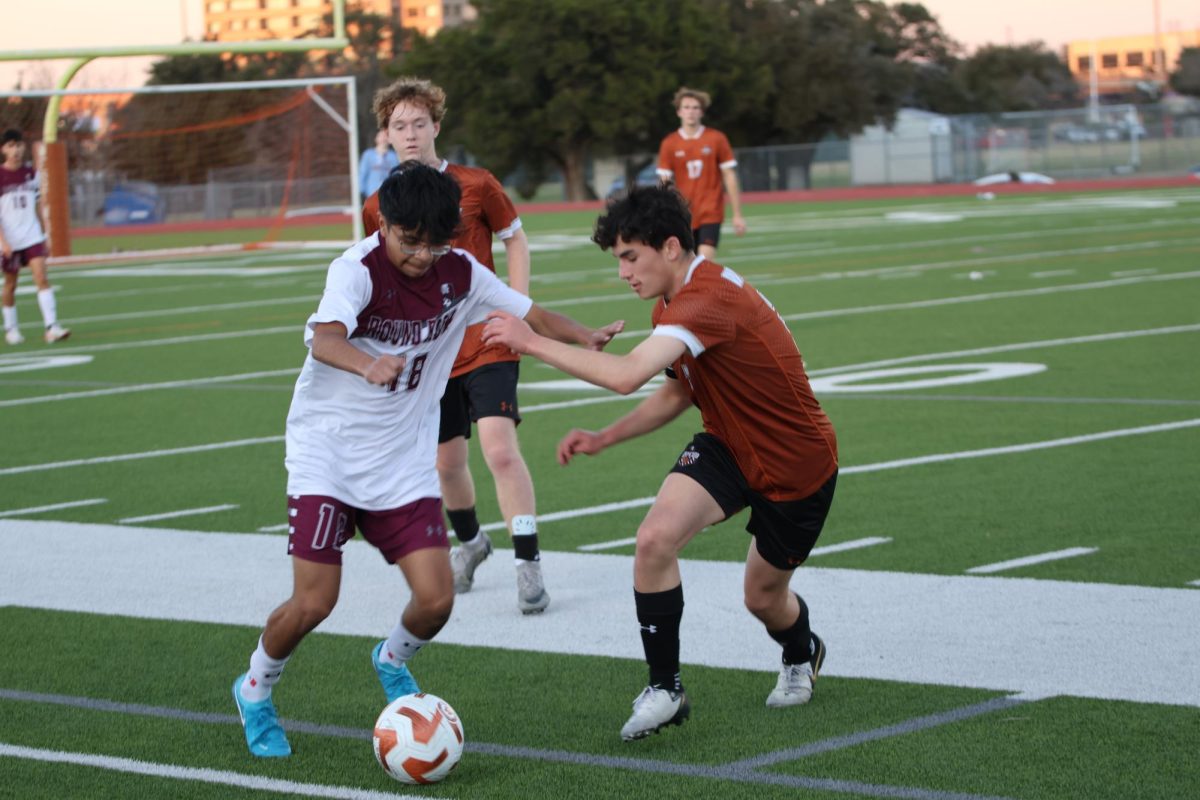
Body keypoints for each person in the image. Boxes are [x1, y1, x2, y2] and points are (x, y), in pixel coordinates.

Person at [232, 162, 622, 758]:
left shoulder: (459, 270)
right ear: (384, 223)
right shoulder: (356, 268)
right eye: (410, 241)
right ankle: (256, 688)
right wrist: (367, 364)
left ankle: (391, 660)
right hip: (328, 453)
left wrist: (583, 335)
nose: (421, 255)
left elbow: (527, 314)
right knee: (316, 602)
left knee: (437, 599)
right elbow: (324, 337)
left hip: (402, 458)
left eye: (433, 243)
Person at [482, 185, 838, 742]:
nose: (623, 271)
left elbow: (626, 376)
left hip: (794, 462)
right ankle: (665, 689)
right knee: (653, 539)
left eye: (630, 256)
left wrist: (530, 342)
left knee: (762, 598)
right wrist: (606, 437)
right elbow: (677, 392)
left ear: (671, 247)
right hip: (726, 444)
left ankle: (801, 649)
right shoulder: (673, 303)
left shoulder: (706, 299)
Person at [361, 77, 548, 614]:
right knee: (445, 464)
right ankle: (472, 544)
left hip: (489, 338)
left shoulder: (476, 183)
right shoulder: (380, 204)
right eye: (400, 125)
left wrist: (515, 303)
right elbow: (380, 273)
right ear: (388, 134)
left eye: (420, 123)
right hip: (431, 351)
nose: (411, 133)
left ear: (437, 126)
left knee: (498, 449)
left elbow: (515, 237)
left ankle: (527, 564)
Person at [656, 87, 746, 260]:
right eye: (687, 107)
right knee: (684, 266)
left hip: (710, 211)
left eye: (695, 108)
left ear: (702, 112)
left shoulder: (716, 138)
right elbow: (664, 182)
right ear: (679, 112)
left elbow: (729, 175)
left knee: (703, 263)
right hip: (682, 214)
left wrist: (737, 214)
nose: (691, 112)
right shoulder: (670, 143)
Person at [1, 129, 69, 345]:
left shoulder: (32, 174)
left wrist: (43, 233)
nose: (16, 150)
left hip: (32, 236)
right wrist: (3, 241)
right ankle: (11, 328)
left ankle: (52, 327)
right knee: (11, 284)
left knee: (42, 277)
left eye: (19, 145)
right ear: (3, 149)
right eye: (11, 145)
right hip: (10, 240)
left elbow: (37, 205)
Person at [358, 128, 399, 200]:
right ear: (376, 138)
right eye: (381, 136)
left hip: (389, 195)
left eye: (386, 136)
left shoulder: (394, 156)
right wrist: (362, 190)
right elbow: (362, 173)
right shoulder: (368, 154)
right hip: (371, 193)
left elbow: (396, 174)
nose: (383, 138)